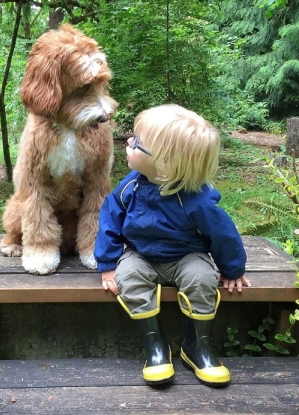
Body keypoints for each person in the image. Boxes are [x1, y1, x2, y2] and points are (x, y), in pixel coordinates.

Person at [94, 104, 250, 387]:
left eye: (137, 142)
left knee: (202, 279)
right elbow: (110, 218)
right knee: (127, 277)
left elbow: (223, 234)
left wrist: (232, 269)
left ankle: (196, 347)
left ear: (164, 165)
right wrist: (106, 264)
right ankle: (155, 346)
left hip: (186, 255)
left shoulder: (197, 199)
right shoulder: (132, 185)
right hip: (140, 254)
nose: (128, 142)